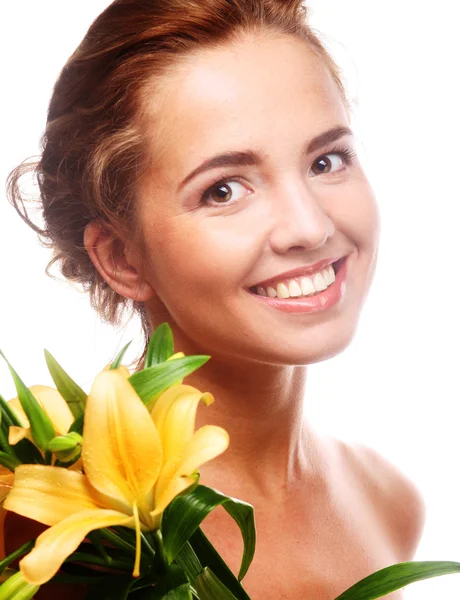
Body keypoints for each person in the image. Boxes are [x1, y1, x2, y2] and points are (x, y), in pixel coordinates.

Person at [4, 0, 425, 598]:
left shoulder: (388, 501)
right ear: (122, 258)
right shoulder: (48, 535)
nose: (308, 227)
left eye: (326, 160)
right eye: (224, 190)